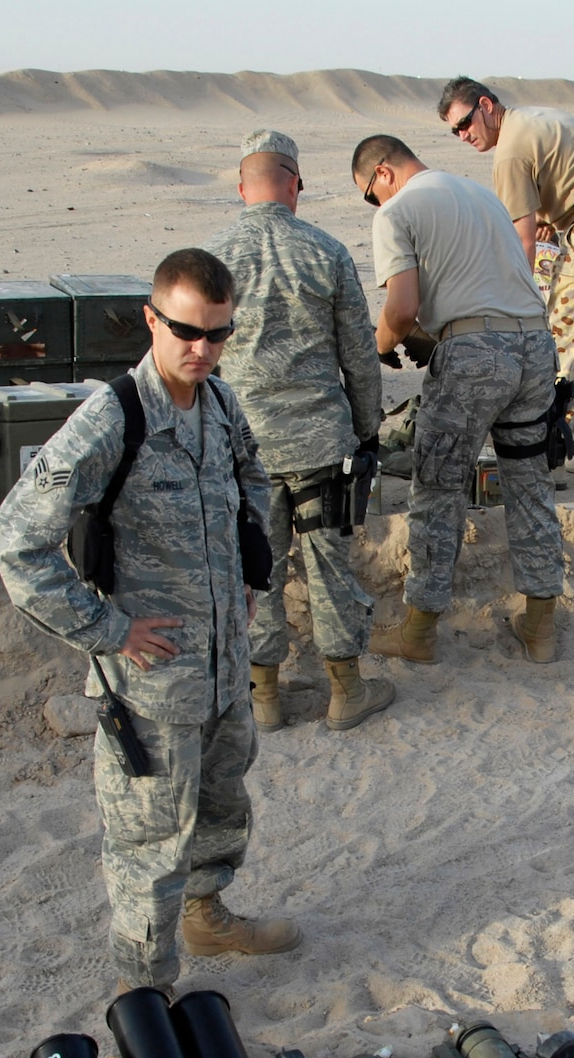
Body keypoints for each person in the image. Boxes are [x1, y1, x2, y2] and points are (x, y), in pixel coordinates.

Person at [0, 248, 298, 992]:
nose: (204, 350)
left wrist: (250, 565)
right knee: (150, 847)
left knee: (222, 808)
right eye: (188, 331)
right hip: (152, 684)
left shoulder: (220, 404)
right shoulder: (111, 421)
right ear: (152, 319)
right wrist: (107, 629)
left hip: (223, 669)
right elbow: (16, 539)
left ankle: (207, 916)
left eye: (220, 334)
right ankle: (145, 995)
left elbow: (253, 477)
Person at [205, 129, 395, 734]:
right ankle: (346, 692)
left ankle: (263, 697)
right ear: (295, 185)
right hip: (322, 448)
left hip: (245, 449)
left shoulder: (213, 260)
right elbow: (360, 356)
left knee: (254, 569)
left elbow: (196, 356)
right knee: (331, 568)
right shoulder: (326, 251)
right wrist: (367, 431)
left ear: (242, 188)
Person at [350, 134, 567, 664]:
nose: (374, 205)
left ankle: (418, 632)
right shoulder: (481, 195)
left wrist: (377, 349)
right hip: (535, 346)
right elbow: (485, 282)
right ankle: (540, 629)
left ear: (382, 173)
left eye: (369, 194)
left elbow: (400, 310)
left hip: (474, 356)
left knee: (438, 485)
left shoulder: (397, 211)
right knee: (529, 482)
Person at [437, 77, 574, 479]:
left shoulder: (510, 152)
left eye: (465, 123)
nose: (463, 135)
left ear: (485, 105)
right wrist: (552, 221)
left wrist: (513, 301)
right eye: (455, 131)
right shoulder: (533, 119)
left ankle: (542, 457)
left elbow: (520, 243)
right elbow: (552, 203)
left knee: (555, 343)